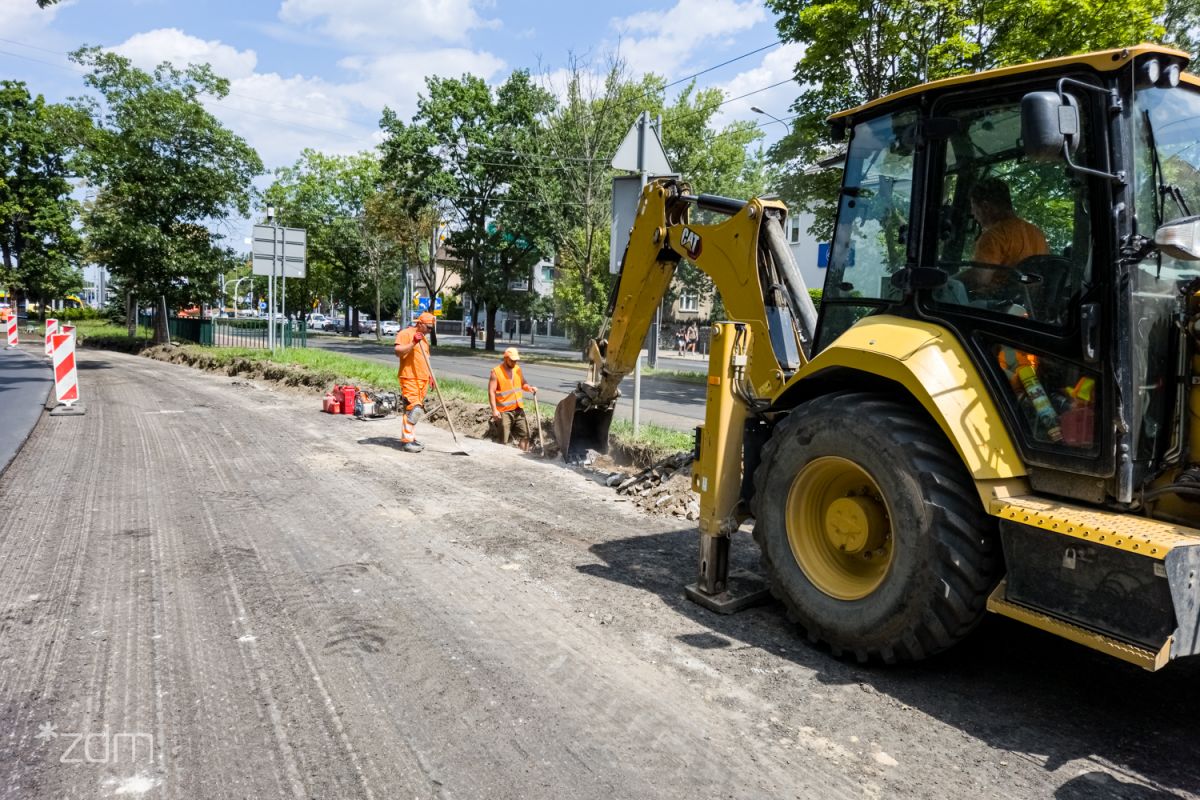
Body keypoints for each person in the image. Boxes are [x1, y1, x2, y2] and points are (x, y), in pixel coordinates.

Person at [963, 177, 1048, 294]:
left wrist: (948, 281)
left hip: (996, 304)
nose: (973, 213)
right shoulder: (1037, 234)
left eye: (973, 207)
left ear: (986, 207)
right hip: (1027, 304)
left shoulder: (994, 236)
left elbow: (979, 278)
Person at [393, 312, 437, 453]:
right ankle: (407, 442)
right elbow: (398, 351)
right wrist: (413, 342)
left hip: (422, 379)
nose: (430, 331)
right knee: (415, 409)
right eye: (429, 327)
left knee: (412, 410)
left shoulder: (424, 339)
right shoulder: (406, 333)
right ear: (420, 323)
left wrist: (430, 375)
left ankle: (410, 437)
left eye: (432, 328)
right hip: (409, 377)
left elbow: (425, 359)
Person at [488, 346, 538, 451]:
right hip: (504, 412)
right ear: (506, 358)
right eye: (512, 361)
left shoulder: (517, 369)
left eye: (516, 361)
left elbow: (523, 383)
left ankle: (522, 457)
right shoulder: (496, 372)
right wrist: (494, 410)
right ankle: (502, 459)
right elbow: (491, 392)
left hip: (518, 409)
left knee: (525, 435)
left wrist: (529, 388)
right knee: (503, 440)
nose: (514, 363)